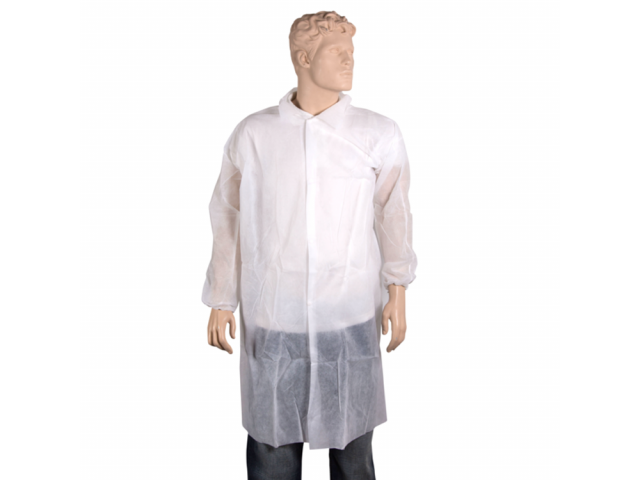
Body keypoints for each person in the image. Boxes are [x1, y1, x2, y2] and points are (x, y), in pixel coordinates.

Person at [202, 11, 417, 479]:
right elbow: (227, 214)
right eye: (337, 52)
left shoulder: (377, 133)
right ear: (303, 58)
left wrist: (397, 288)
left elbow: (393, 213)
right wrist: (221, 298)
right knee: (272, 455)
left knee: (353, 456)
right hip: (274, 319)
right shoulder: (255, 134)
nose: (349, 61)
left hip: (348, 317)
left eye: (351, 51)